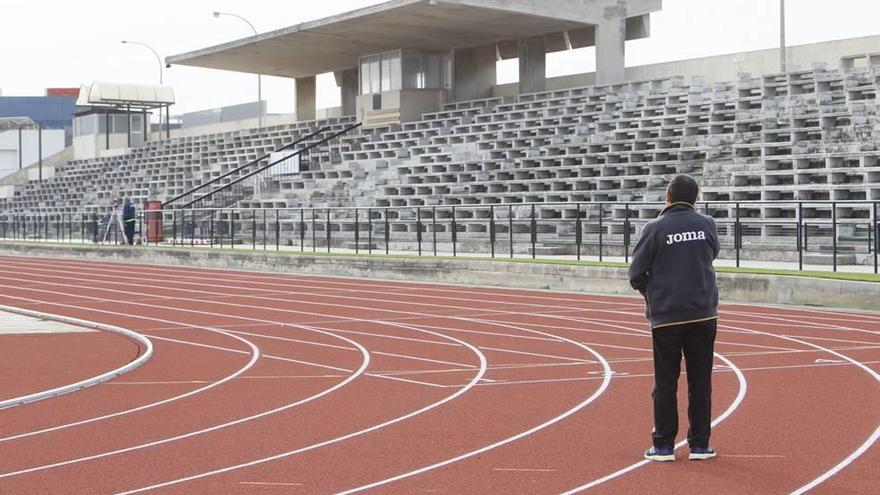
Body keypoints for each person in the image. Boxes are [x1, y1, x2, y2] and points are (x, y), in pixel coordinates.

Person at [628, 174, 720, 462]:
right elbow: (711, 254)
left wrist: (653, 294)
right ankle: (700, 445)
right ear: (695, 198)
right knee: (700, 381)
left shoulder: (655, 228)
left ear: (668, 197)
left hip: (667, 316)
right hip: (703, 314)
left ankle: (664, 445)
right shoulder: (707, 224)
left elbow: (635, 274)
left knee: (666, 381)